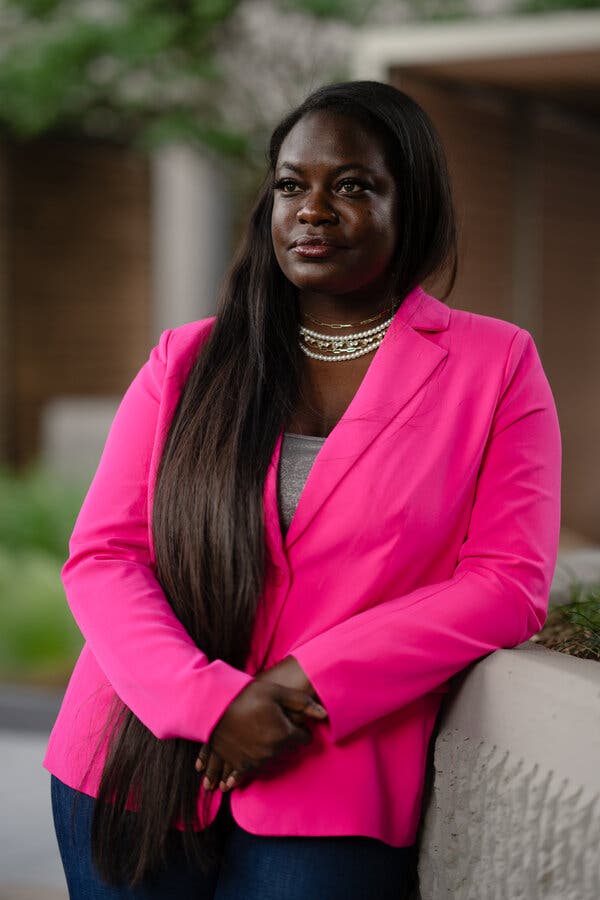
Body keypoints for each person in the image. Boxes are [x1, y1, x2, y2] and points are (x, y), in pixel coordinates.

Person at [44, 80, 562, 899]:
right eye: (292, 185)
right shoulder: (187, 360)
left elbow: (507, 583)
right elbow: (106, 556)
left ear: (412, 204)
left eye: (352, 185)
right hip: (134, 754)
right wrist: (209, 704)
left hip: (334, 767)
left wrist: (302, 680)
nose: (313, 210)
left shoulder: (494, 365)